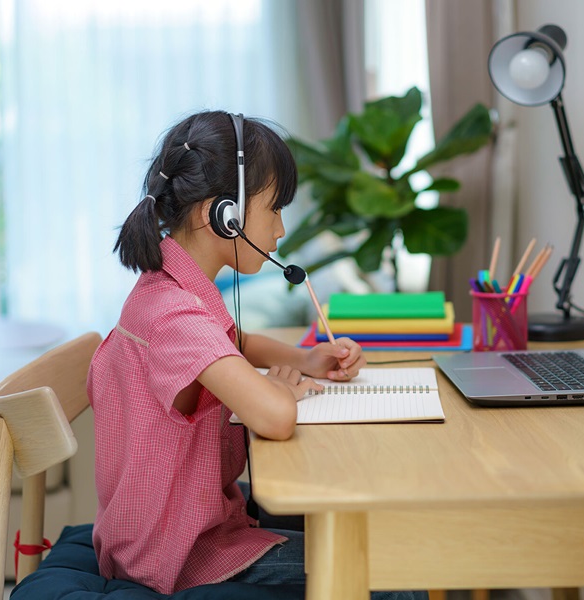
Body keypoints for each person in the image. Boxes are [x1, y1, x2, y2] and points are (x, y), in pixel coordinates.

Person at [88, 111, 424, 600]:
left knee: (342, 518)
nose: (282, 229)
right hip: (178, 551)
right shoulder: (174, 315)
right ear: (221, 216)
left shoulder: (170, 286)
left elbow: (231, 340)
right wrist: (277, 388)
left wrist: (305, 359)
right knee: (393, 572)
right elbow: (275, 418)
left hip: (176, 524)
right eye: (273, 209)